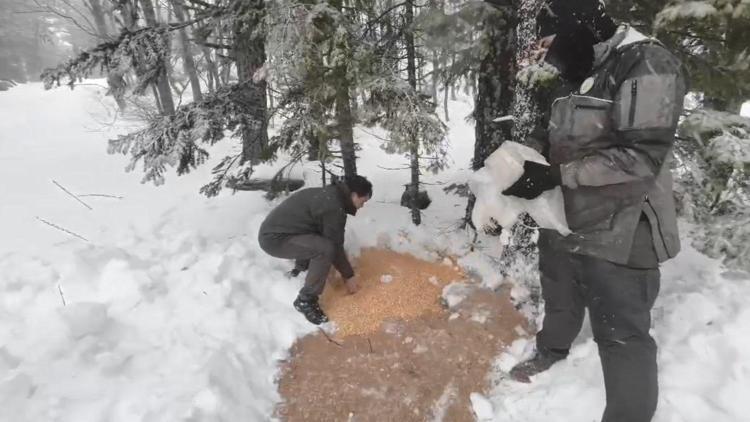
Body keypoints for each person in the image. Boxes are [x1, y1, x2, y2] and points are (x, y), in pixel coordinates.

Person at [501, 1, 687, 421]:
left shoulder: (646, 63)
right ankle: (552, 350)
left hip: (622, 225)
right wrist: (522, 165)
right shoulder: (583, 69)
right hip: (565, 216)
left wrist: (556, 175)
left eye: (554, 46)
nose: (552, 59)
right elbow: (558, 134)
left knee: (621, 332)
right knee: (559, 291)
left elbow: (640, 158)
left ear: (578, 28)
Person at [258, 175, 372, 325]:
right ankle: (306, 300)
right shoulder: (333, 207)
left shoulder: (330, 195)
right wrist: (349, 276)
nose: (362, 206)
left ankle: (301, 269)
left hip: (280, 233)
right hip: (274, 240)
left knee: (320, 239)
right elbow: (334, 247)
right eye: (363, 201)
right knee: (324, 249)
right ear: (354, 195)